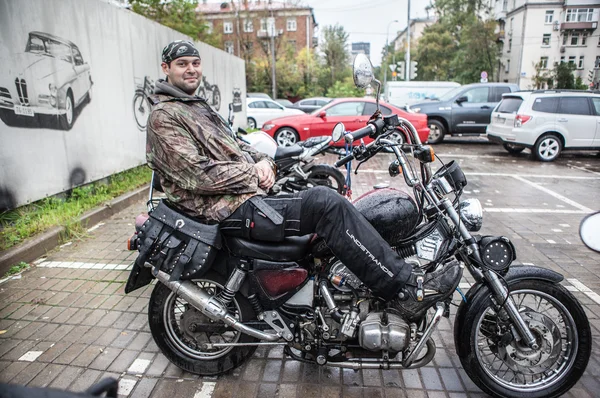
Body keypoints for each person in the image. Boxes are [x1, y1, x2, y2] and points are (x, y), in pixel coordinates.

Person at [146, 40, 461, 319]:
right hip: (225, 209)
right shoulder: (165, 117)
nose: (191, 70)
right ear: (166, 68)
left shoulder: (194, 107)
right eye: (182, 64)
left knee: (322, 195)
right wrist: (252, 173)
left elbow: (236, 148)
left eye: (195, 63)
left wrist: (265, 161)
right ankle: (406, 290)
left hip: (244, 200)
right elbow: (195, 173)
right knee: (326, 204)